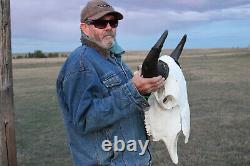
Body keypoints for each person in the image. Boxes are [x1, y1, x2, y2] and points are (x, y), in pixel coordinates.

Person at [56, 0, 165, 165]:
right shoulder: (81, 64)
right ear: (85, 28)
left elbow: (129, 101)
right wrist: (133, 90)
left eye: (113, 22)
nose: (109, 27)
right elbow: (85, 120)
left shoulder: (113, 59)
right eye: (100, 23)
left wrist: (146, 87)